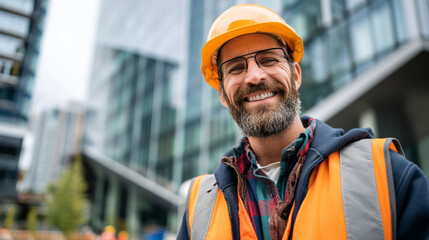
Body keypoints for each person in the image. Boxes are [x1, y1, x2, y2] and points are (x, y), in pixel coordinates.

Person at [177, 4, 429, 240]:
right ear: (222, 95)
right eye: (235, 68)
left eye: (268, 60)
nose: (254, 77)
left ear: (295, 75)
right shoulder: (197, 207)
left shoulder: (383, 171)